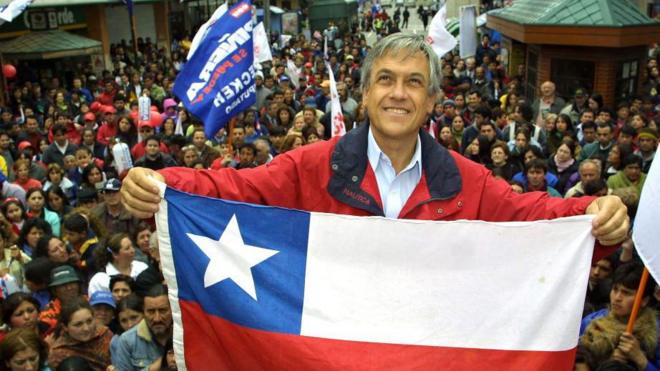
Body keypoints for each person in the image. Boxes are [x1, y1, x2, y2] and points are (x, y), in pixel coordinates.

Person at [121, 33, 628, 255]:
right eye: (386, 79)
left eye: (413, 83)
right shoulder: (309, 166)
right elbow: (235, 190)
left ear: (431, 101)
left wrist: (594, 215)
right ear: (365, 94)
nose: (398, 94)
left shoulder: (465, 181)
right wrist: (163, 184)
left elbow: (529, 216)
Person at [580, 263, 659, 370]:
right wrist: (607, 364)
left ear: (644, 301)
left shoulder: (656, 332)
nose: (617, 298)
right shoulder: (591, 322)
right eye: (615, 289)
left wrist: (640, 359)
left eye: (626, 293)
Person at [112, 284, 172, 371]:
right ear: (143, 311)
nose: (157, 318)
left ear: (173, 309)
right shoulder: (127, 341)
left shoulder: (185, 335)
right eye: (151, 311)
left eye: (163, 311)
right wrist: (152, 368)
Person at [48, 297, 113, 370]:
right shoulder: (59, 353)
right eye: (78, 324)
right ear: (65, 327)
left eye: (89, 321)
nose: (86, 328)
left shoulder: (105, 334)